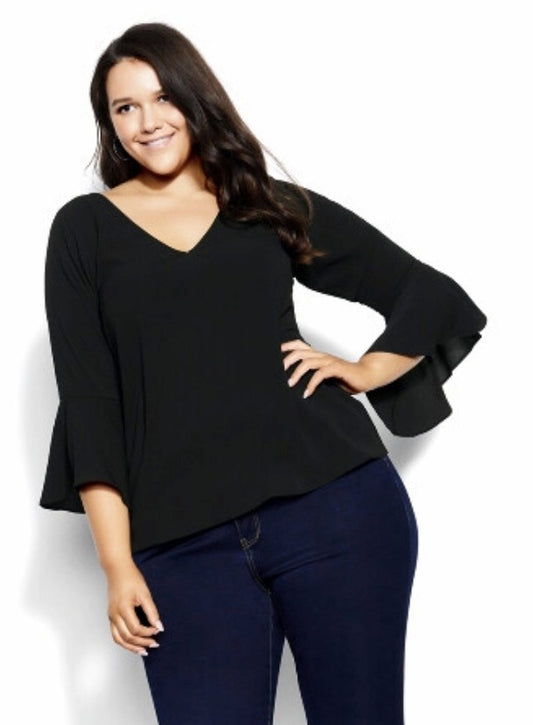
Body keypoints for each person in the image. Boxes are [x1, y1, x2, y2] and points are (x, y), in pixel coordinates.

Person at [39, 21, 487, 725]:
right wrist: (116, 564)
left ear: (194, 98)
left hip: (337, 510)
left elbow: (423, 291)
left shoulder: (261, 204)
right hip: (182, 547)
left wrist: (365, 370)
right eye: (125, 107)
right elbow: (90, 402)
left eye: (162, 98)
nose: (147, 121)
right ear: (109, 123)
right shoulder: (83, 230)